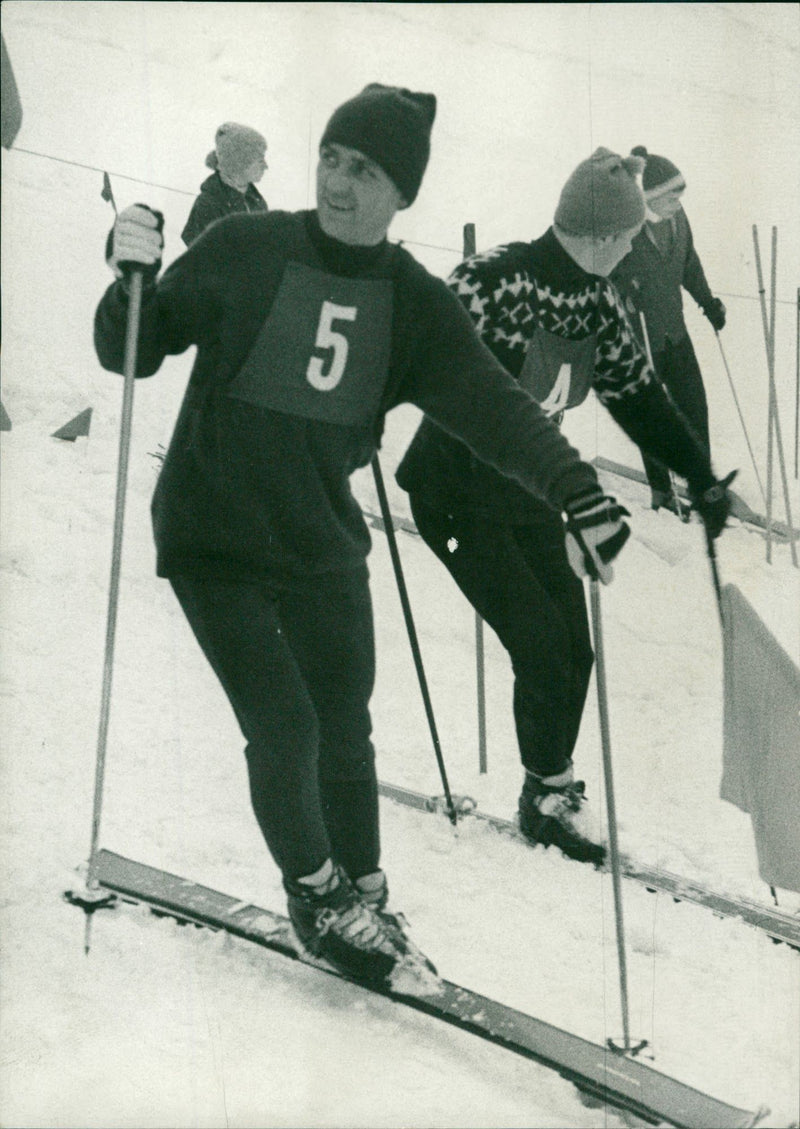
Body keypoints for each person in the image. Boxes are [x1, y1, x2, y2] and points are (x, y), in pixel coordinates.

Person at [94, 85, 635, 987]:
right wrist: (129, 277)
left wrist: (578, 492)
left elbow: (496, 410)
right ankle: (316, 894)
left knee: (347, 723)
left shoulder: (414, 303)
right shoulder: (243, 246)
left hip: (320, 540)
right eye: (333, 160)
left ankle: (365, 890)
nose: (341, 183)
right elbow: (134, 347)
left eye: (367, 170)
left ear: (402, 194)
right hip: (213, 533)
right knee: (287, 723)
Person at [396, 148, 734, 866]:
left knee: (572, 648)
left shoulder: (597, 301)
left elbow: (638, 396)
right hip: (453, 492)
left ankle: (549, 785)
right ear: (609, 237)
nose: (632, 248)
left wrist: (700, 475)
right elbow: (411, 346)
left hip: (527, 487)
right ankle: (545, 797)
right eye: (631, 236)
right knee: (543, 647)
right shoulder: (497, 281)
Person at [611, 146, 727, 516]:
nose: (678, 203)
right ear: (652, 199)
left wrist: (708, 302)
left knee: (695, 409)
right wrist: (622, 293)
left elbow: (689, 265)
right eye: (672, 198)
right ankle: (661, 491)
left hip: (674, 333)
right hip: (641, 338)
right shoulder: (628, 226)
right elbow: (604, 271)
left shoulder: (679, 221)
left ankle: (702, 485)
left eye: (680, 197)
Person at [181, 121, 268, 246]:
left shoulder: (256, 201)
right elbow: (202, 259)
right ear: (240, 163)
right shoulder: (208, 205)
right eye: (259, 160)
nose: (266, 166)